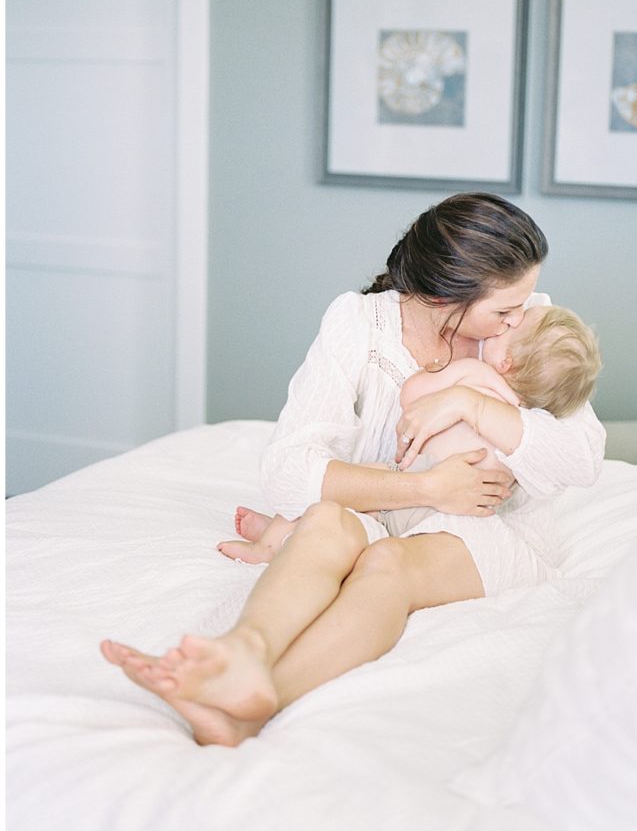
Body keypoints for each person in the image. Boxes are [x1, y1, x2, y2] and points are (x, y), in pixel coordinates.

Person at [101, 193, 606, 747]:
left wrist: (472, 406)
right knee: (322, 524)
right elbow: (289, 472)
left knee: (389, 564)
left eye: (522, 305)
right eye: (504, 310)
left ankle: (257, 703)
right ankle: (244, 650)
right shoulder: (359, 325)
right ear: (444, 295)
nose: (519, 316)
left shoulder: (524, 327)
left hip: (488, 530)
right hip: (391, 509)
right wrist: (428, 488)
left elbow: (582, 458)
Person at [221, 302, 602, 552]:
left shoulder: (477, 373)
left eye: (511, 328)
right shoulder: (531, 404)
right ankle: (280, 533)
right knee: (359, 519)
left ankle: (272, 543)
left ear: (506, 362)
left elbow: (412, 397)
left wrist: (437, 379)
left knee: (343, 500)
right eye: (508, 315)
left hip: (419, 476)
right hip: (468, 510)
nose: (513, 320)